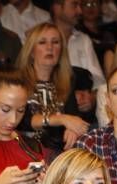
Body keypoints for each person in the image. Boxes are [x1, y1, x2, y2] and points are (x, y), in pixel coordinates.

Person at [15, 22, 92, 152]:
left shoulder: (68, 81)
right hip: (24, 148)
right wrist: (62, 119)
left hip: (58, 151)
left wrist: (72, 129)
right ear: (31, 51)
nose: (50, 48)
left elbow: (75, 118)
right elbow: (21, 120)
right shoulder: (18, 80)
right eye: (42, 42)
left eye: (55, 42)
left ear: (61, 50)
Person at [51, 0, 105, 90]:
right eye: (74, 5)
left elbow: (99, 81)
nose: (80, 11)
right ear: (57, 8)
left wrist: (91, 97)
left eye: (80, 5)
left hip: (82, 100)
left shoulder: (84, 39)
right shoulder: (40, 38)